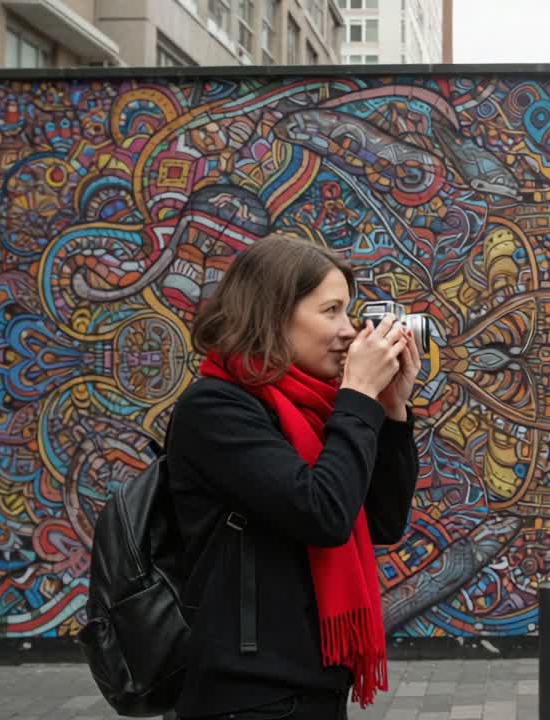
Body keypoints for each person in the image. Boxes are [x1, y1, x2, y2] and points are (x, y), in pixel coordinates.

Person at [165, 232, 419, 720]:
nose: (349, 331)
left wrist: (391, 411)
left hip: (314, 686)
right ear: (272, 312)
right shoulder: (217, 408)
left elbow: (383, 521)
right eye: (331, 311)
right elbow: (321, 512)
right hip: (248, 694)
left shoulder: (318, 410)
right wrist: (359, 397)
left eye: (348, 311)